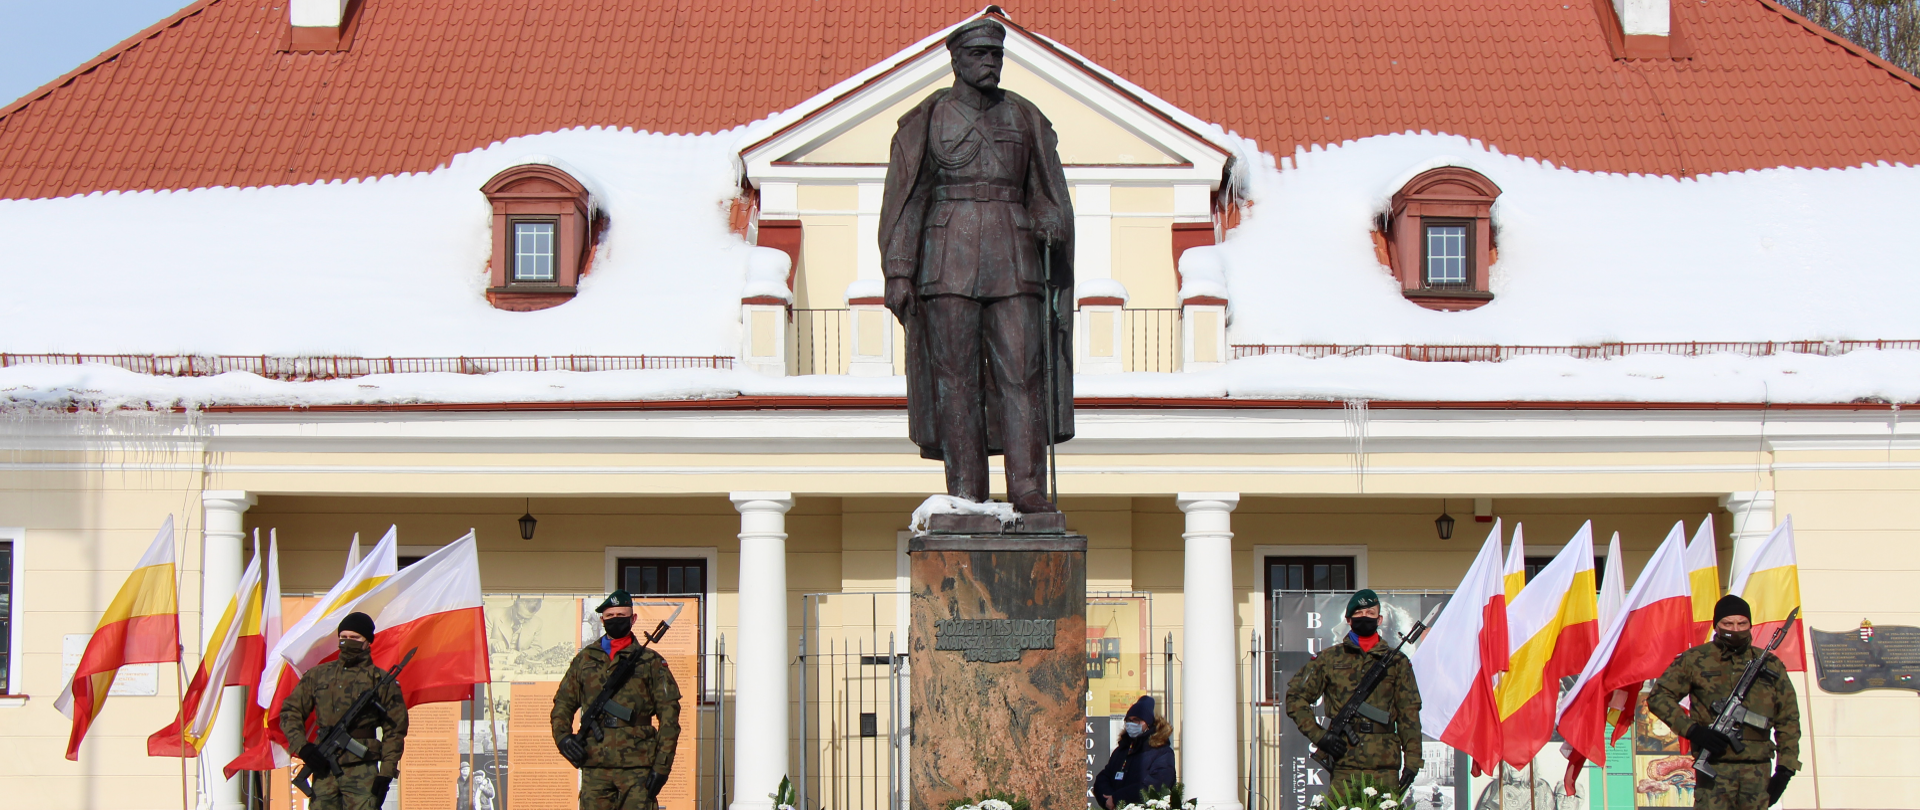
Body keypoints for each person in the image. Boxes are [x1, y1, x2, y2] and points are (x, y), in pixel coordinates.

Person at [878, 16, 1076, 513]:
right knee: (955, 379)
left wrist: (1050, 219)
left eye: (996, 55)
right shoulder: (928, 119)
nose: (989, 63)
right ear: (956, 60)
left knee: (1022, 375)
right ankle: (966, 490)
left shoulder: (1026, 118)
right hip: (946, 261)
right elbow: (909, 201)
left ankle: (1027, 488)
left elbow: (1047, 194)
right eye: (979, 55)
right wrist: (900, 269)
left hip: (1015, 259)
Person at [1649, 594, 1802, 809]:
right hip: (1714, 769)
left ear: (1750, 625)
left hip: (1757, 772)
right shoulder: (1695, 659)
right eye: (1728, 623)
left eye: (1742, 623)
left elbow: (1788, 718)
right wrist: (1694, 731)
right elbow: (1659, 697)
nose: (1735, 628)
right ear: (1717, 625)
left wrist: (1786, 769)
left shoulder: (1770, 665)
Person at [1284, 590, 1423, 796]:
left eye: (1370, 612)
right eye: (1358, 613)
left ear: (1380, 619)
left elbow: (1408, 714)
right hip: (1345, 764)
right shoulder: (1329, 659)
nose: (1365, 617)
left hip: (1384, 766)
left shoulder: (1396, 662)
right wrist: (1320, 737)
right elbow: (1295, 699)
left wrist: (1412, 761)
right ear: (1348, 620)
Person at [552, 590, 682, 810]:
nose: (615, 620)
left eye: (621, 615)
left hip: (638, 767)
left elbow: (669, 719)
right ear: (602, 620)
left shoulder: (650, 661)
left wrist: (662, 766)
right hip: (595, 766)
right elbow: (563, 704)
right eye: (610, 616)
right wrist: (563, 738)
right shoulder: (585, 659)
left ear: (633, 619)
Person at [280, 612, 409, 810]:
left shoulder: (381, 681)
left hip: (363, 770)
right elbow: (290, 712)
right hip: (324, 768)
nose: (348, 643)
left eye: (355, 638)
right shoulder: (318, 675)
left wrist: (386, 772)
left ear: (368, 641)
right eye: (343, 638)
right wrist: (303, 747)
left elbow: (395, 731)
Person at [1093, 696, 1176, 809]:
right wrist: (1108, 799)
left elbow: (1155, 785)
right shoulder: (1122, 750)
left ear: (1148, 724)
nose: (1131, 724)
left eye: (1136, 720)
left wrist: (1117, 798)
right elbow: (1103, 777)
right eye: (1129, 720)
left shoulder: (1162, 752)